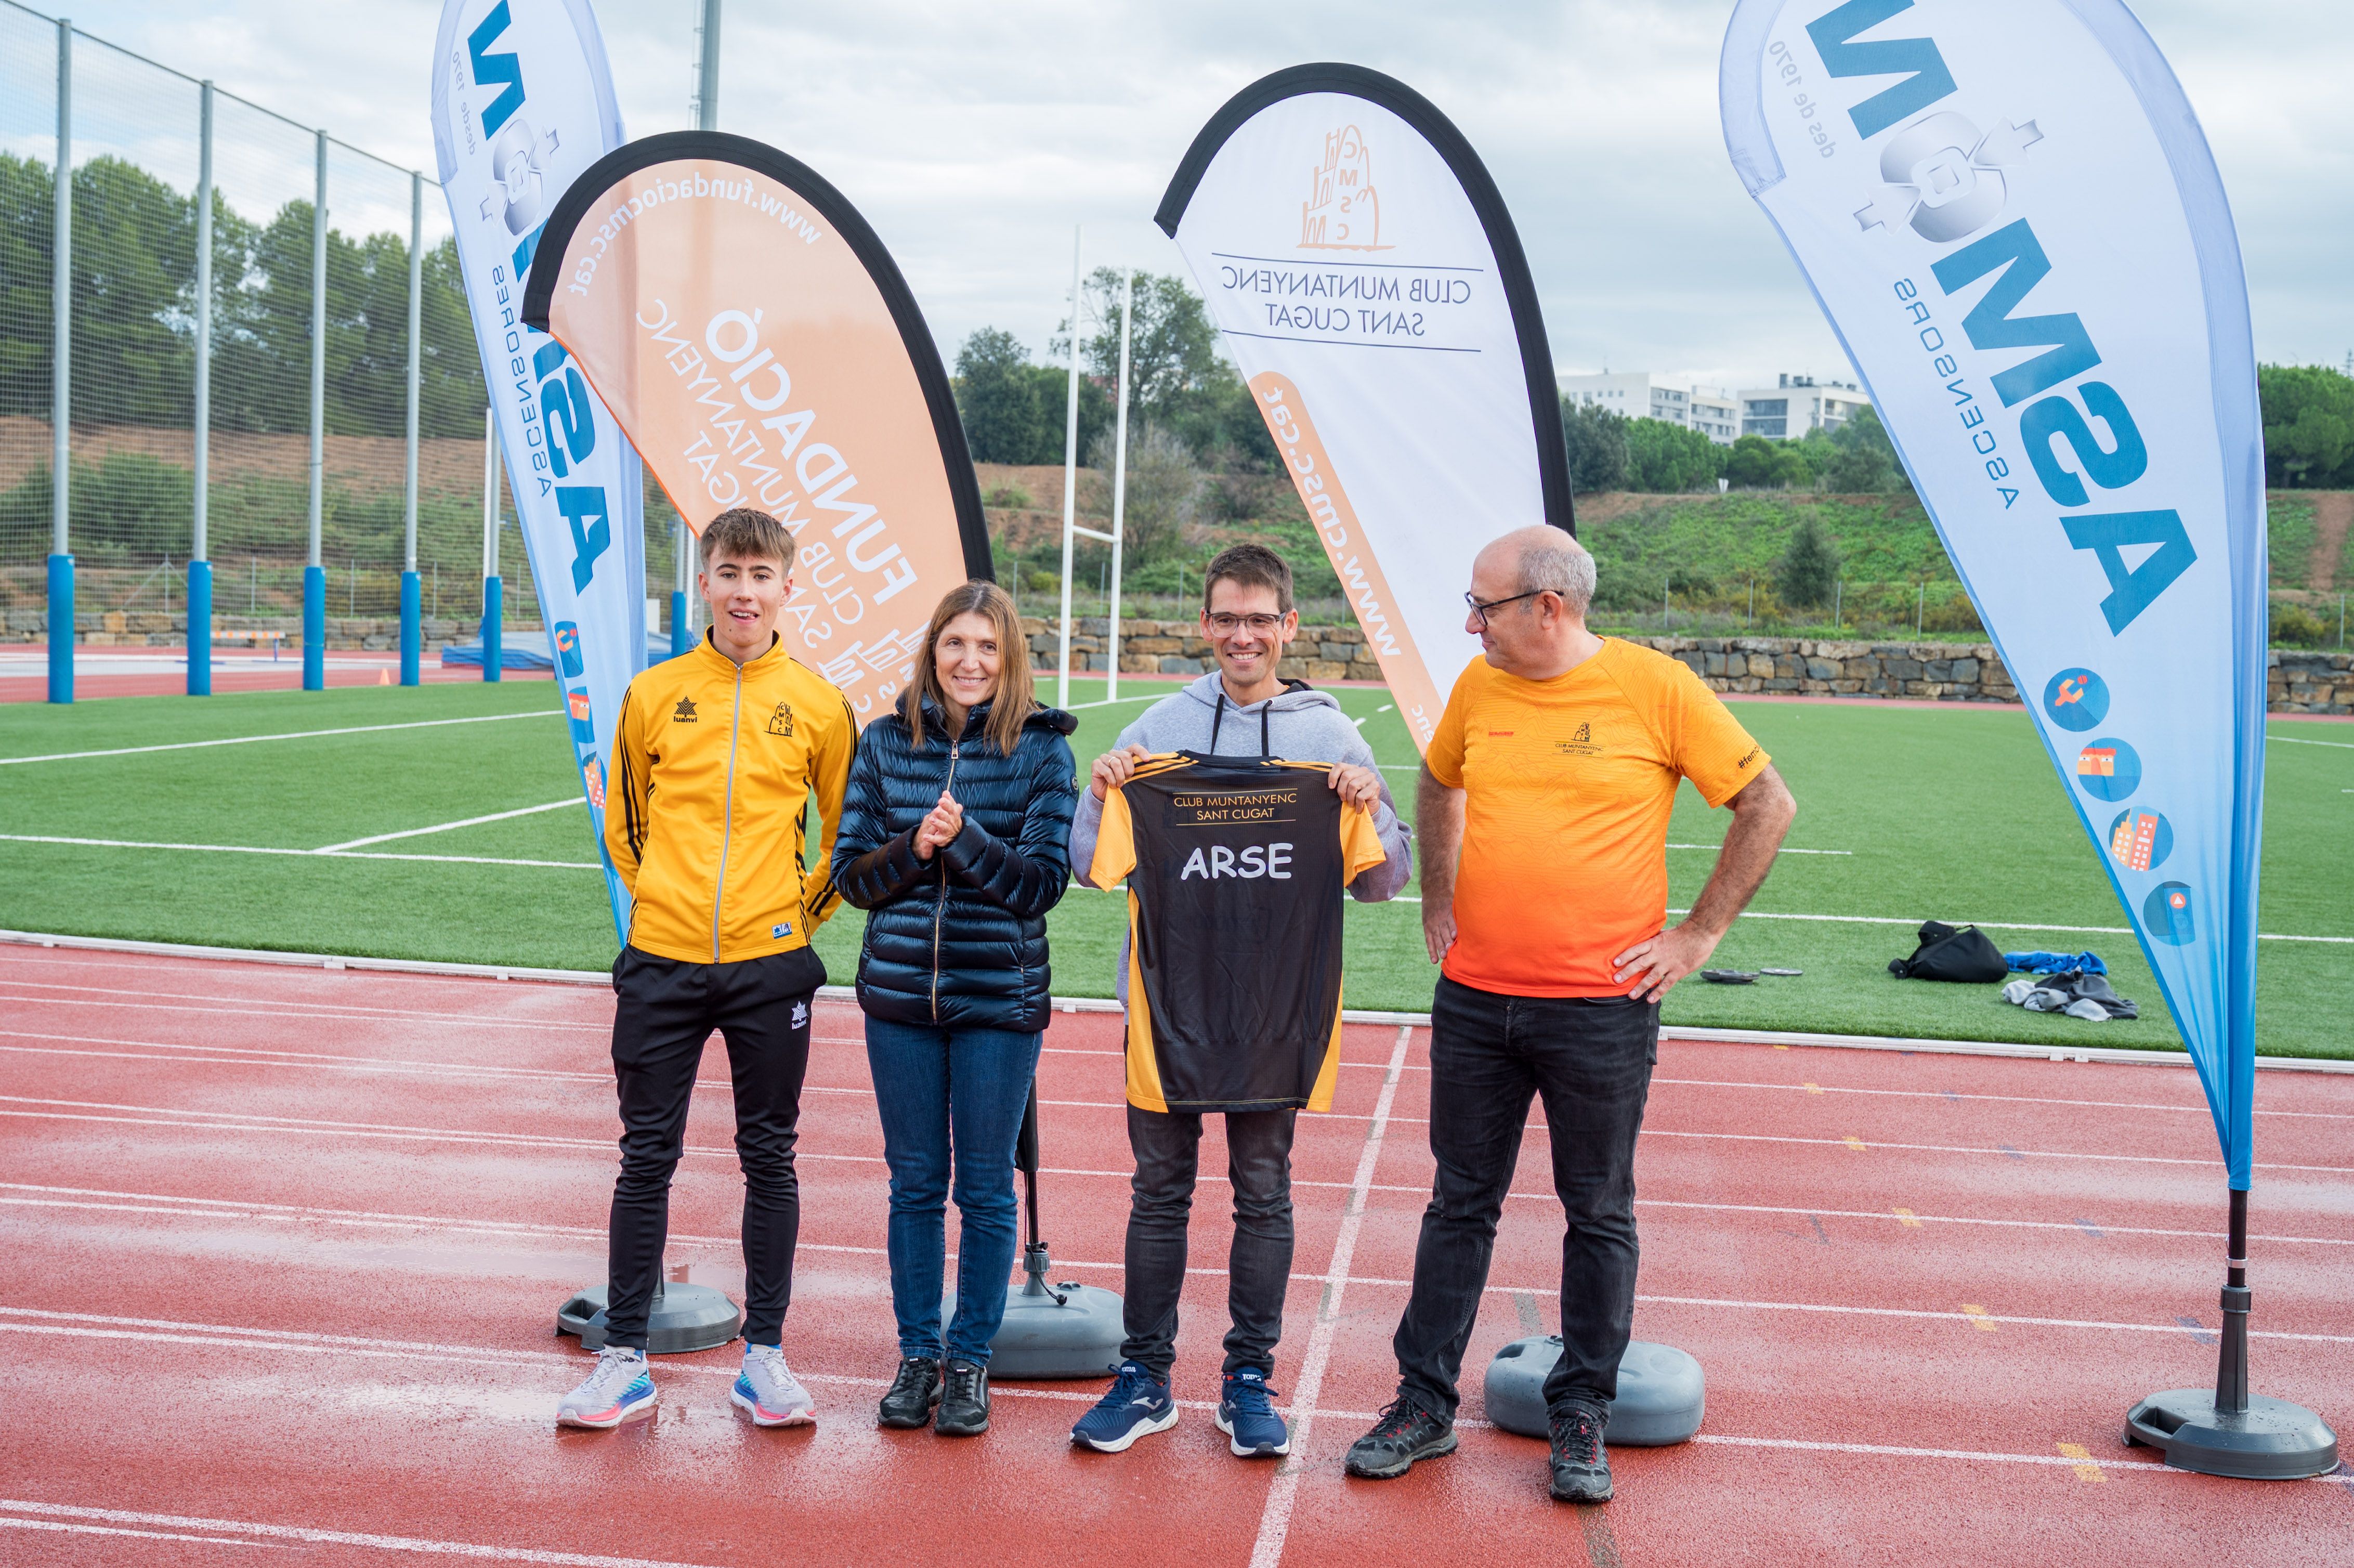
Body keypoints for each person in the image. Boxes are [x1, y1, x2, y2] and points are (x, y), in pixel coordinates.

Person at [1343, 525, 1796, 1502]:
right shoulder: (1479, 689)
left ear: (1548, 607)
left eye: (1484, 606)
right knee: (1458, 1202)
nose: (1471, 625)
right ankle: (1423, 1403)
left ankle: (1582, 1409)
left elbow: (1767, 803)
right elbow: (1438, 779)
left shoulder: (1657, 688)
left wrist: (1698, 937)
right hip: (1475, 1002)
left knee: (1598, 1211)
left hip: (1600, 1010)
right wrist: (1437, 900)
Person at [1065, 543, 1412, 1459]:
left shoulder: (1330, 737)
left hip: (1272, 1010)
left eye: (1261, 619)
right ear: (1206, 624)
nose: (1243, 634)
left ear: (1288, 626)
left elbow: (1387, 879)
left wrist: (1369, 804)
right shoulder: (1159, 728)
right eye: (1227, 618)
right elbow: (1086, 864)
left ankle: (1247, 1378)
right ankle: (1145, 1379)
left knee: (1263, 1192)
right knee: (1159, 1191)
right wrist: (1103, 793)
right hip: (1165, 1007)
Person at [556, 506, 857, 1431]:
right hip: (663, 962)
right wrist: (665, 910)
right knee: (646, 1158)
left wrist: (789, 919)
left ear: (787, 591)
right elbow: (627, 825)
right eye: (729, 572)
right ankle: (624, 1360)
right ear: (705, 582)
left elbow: (843, 834)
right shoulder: (653, 693)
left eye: (762, 576)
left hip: (772, 966)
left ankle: (764, 1358)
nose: (744, 591)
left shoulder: (817, 703)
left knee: (771, 1156)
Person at [832, 581, 1077, 1438]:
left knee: (983, 1188)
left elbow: (1042, 886)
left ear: (1009, 660)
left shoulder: (1043, 752)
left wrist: (965, 840)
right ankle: (917, 1356)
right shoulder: (884, 742)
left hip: (998, 1006)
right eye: (954, 645)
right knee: (913, 1186)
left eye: (987, 648)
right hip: (899, 1002)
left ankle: (970, 1360)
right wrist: (917, 845)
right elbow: (852, 879)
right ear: (932, 651)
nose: (969, 662)